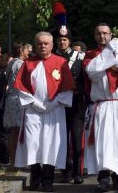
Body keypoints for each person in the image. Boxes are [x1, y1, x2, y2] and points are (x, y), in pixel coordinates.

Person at [13, 32, 74, 192]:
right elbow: (21, 86)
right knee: (33, 144)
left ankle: (48, 181)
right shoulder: (28, 63)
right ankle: (35, 176)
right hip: (34, 110)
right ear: (35, 45)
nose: (43, 46)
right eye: (40, 43)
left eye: (46, 43)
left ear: (52, 45)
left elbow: (68, 87)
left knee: (51, 145)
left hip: (55, 111)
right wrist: (34, 103)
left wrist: (53, 103)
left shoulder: (61, 62)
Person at [83, 23, 118, 192]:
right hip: (104, 104)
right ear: (95, 36)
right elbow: (93, 72)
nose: (102, 36)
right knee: (103, 142)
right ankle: (104, 178)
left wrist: (117, 55)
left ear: (111, 35)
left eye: (105, 33)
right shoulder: (90, 55)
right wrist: (108, 54)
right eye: (99, 33)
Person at [53, 27, 87, 184]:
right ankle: (65, 171)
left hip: (77, 101)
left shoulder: (79, 57)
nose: (62, 42)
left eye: (64, 40)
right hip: (59, 103)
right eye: (59, 40)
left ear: (69, 41)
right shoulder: (53, 58)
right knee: (61, 138)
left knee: (77, 136)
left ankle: (78, 172)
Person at [2, 42, 30, 169]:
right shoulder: (21, 64)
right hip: (20, 98)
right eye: (27, 50)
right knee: (21, 131)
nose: (29, 52)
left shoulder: (11, 63)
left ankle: (13, 162)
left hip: (10, 99)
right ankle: (21, 162)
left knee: (13, 132)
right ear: (21, 51)